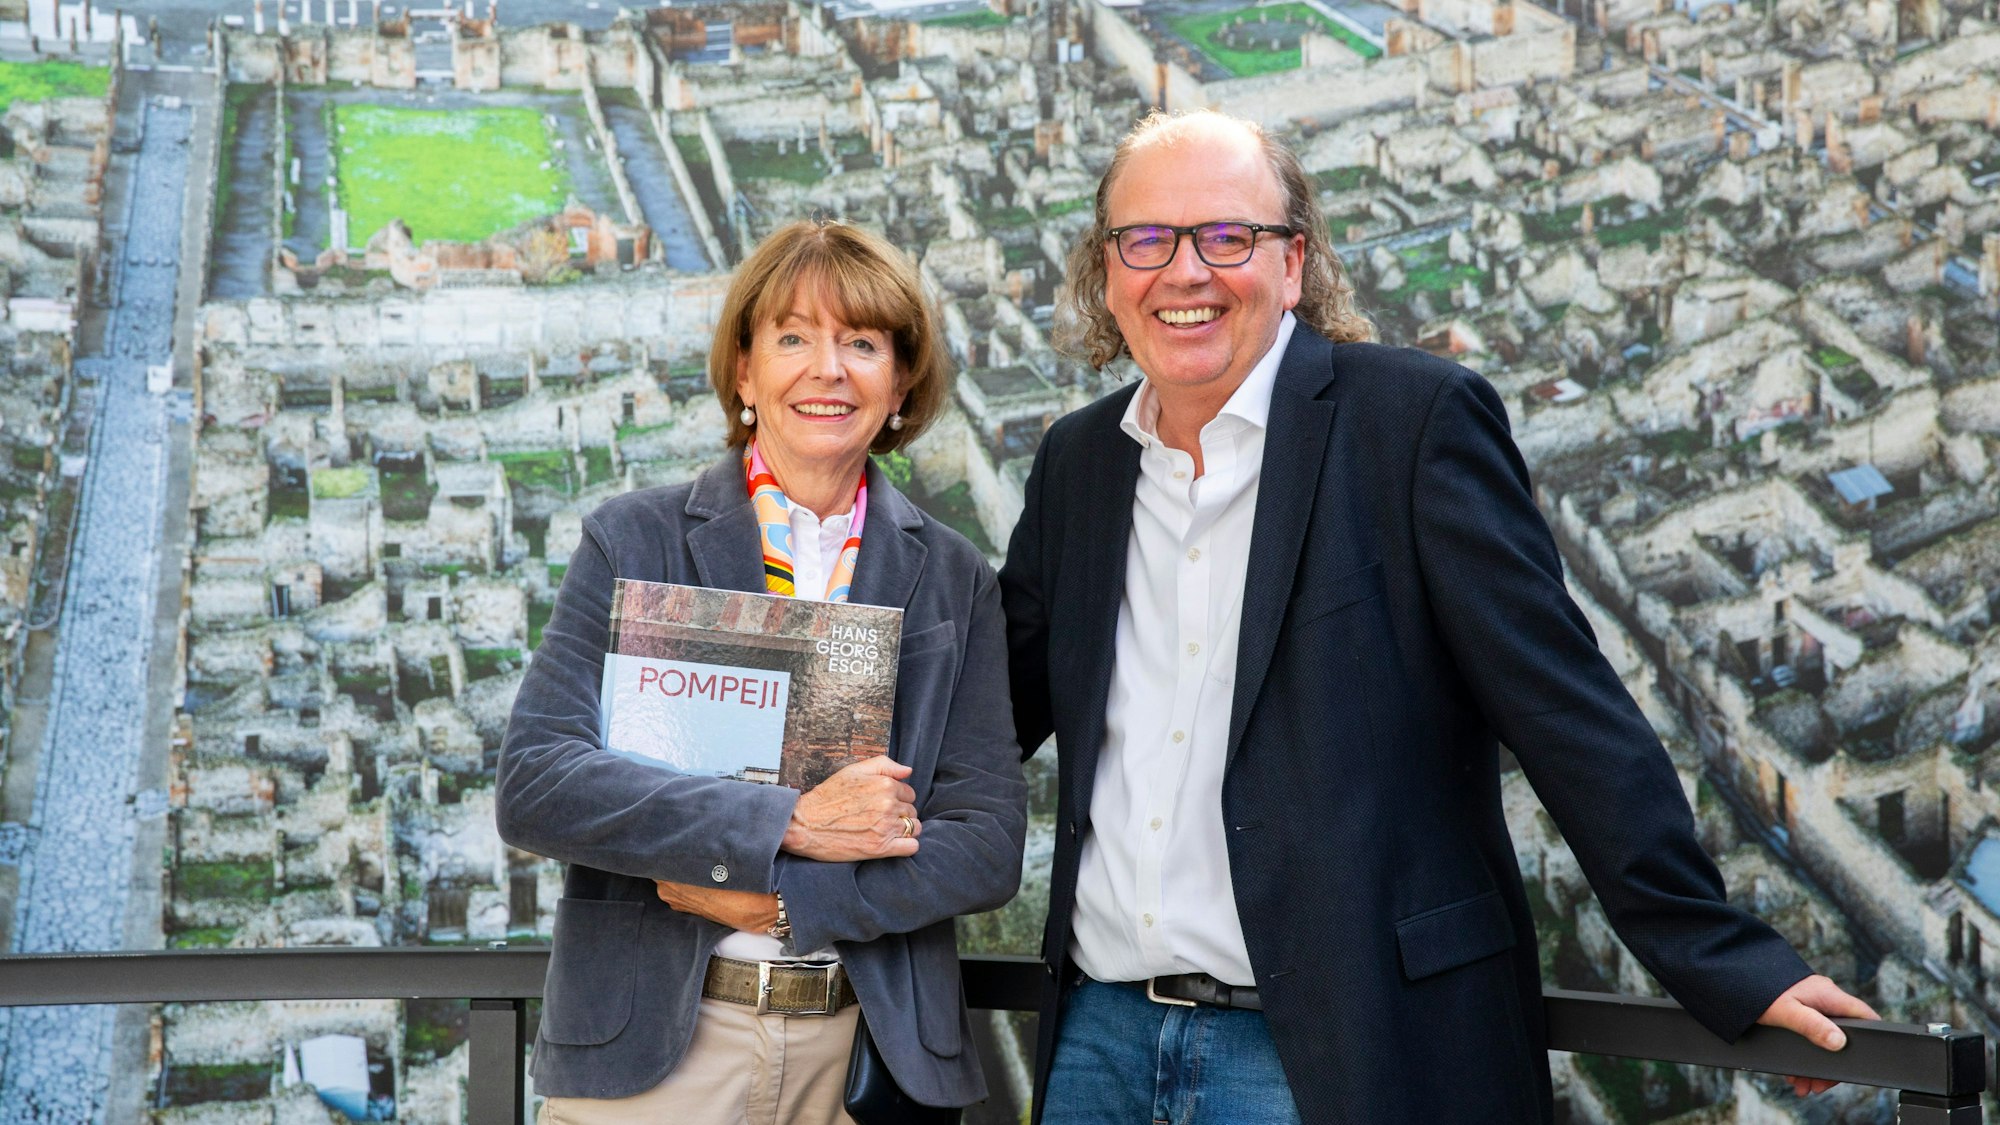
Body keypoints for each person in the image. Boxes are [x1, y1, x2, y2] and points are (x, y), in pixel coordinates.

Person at [996, 109, 1877, 1125]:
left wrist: (1721, 957)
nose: (1183, 272)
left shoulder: (1409, 424)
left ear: (1294, 264)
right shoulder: (1079, 465)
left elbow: (1563, 708)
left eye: (1226, 237)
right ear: (1106, 274)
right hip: (1100, 1044)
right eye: (1144, 240)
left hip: (1342, 1047)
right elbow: (983, 713)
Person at [498, 218, 1027, 1124]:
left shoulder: (952, 576)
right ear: (745, 372)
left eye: (861, 342)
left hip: (861, 1054)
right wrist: (794, 822)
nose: (828, 369)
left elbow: (984, 843)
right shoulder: (635, 540)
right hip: (656, 1056)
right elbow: (541, 784)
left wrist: (784, 895)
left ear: (899, 381)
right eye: (793, 338)